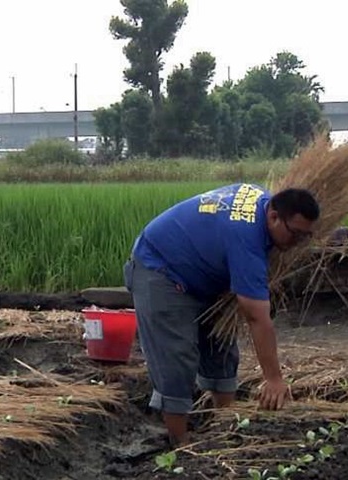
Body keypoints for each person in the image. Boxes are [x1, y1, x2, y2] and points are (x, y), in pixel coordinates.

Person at [123, 182, 320, 446]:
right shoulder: (246, 239)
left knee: (221, 343)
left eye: (305, 237)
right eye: (295, 234)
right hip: (161, 270)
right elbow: (257, 318)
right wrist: (274, 379)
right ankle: (180, 445)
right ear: (274, 217)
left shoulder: (264, 203)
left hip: (201, 272)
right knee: (177, 358)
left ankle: (224, 425)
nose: (297, 243)